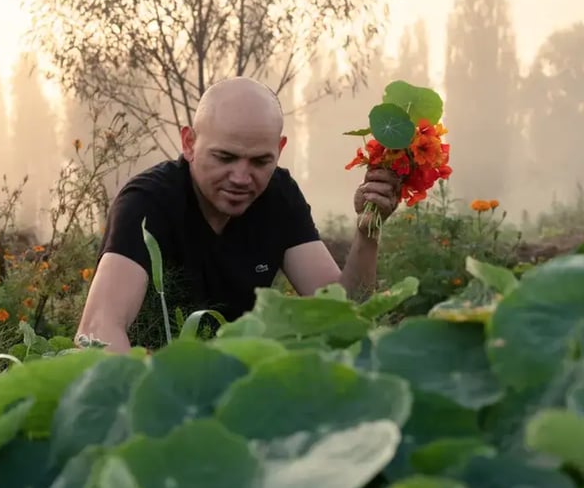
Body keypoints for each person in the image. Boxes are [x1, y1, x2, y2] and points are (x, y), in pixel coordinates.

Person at [74, 76, 402, 352]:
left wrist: (368, 232)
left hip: (243, 383)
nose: (242, 178)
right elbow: (98, 329)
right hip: (156, 378)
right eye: (225, 157)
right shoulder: (147, 203)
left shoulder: (279, 196)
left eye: (260, 161)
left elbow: (345, 312)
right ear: (189, 143)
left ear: (279, 150)